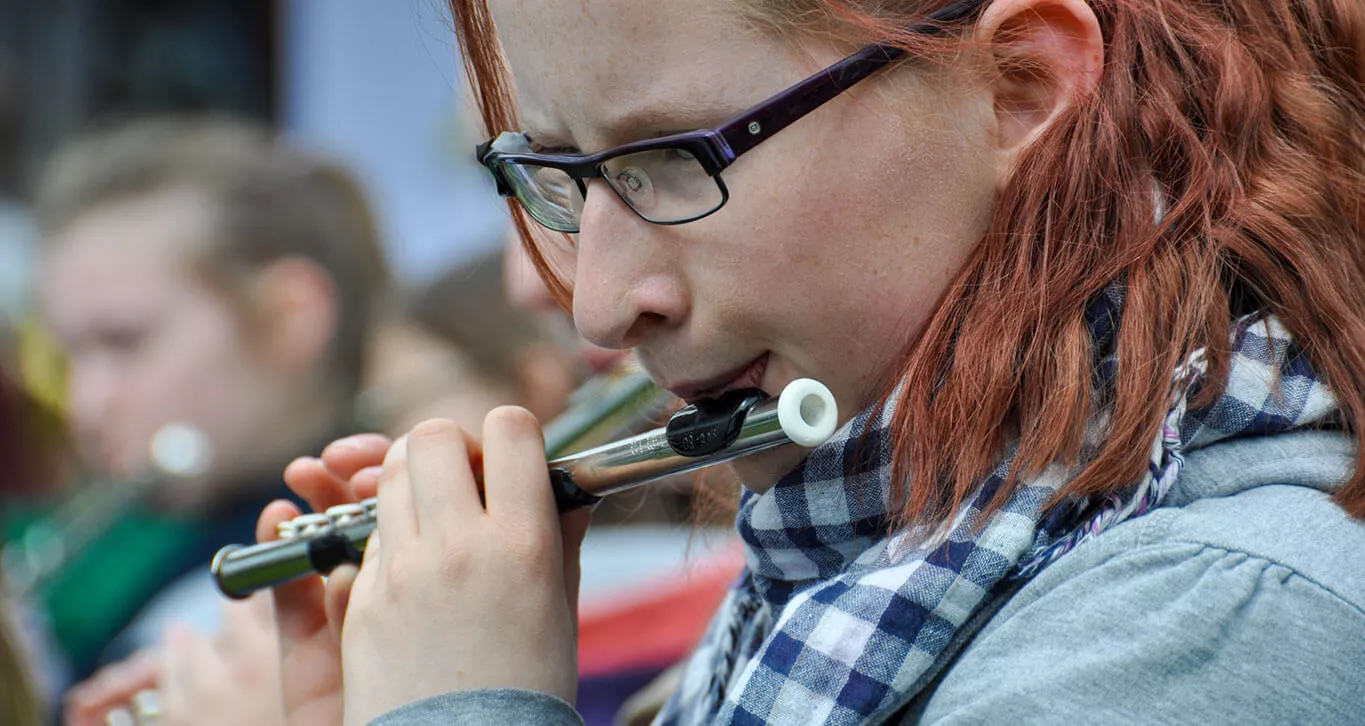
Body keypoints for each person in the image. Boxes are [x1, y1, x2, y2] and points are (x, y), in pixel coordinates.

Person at [263, 0, 1365, 723]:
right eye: (557, 173)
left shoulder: (1212, 627)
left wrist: (462, 708)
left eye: (670, 160)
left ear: (1020, 86)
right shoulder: (854, 574)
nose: (597, 306)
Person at [31, 115, 389, 684]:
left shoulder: (348, 588)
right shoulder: (176, 552)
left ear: (288, 316)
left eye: (126, 342)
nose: (86, 403)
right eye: (69, 354)